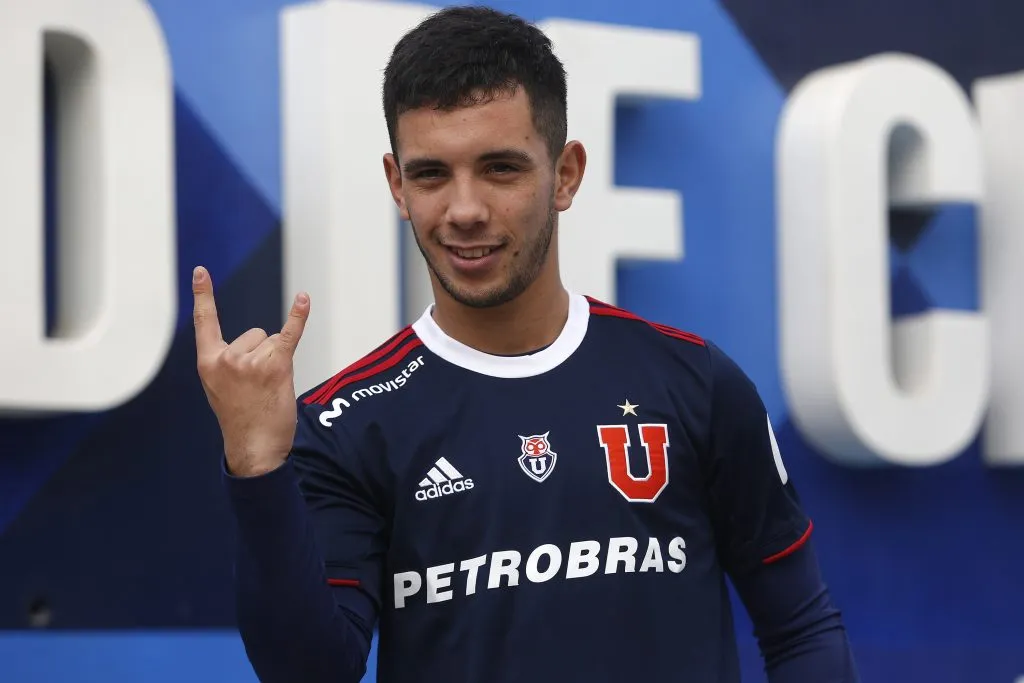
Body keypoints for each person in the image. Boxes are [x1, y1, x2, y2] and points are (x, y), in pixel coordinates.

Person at [192, 6, 859, 682]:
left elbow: (801, 627)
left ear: (566, 173)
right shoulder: (346, 426)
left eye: (500, 169)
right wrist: (258, 470)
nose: (464, 209)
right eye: (431, 175)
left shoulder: (697, 383)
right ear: (397, 185)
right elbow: (309, 671)